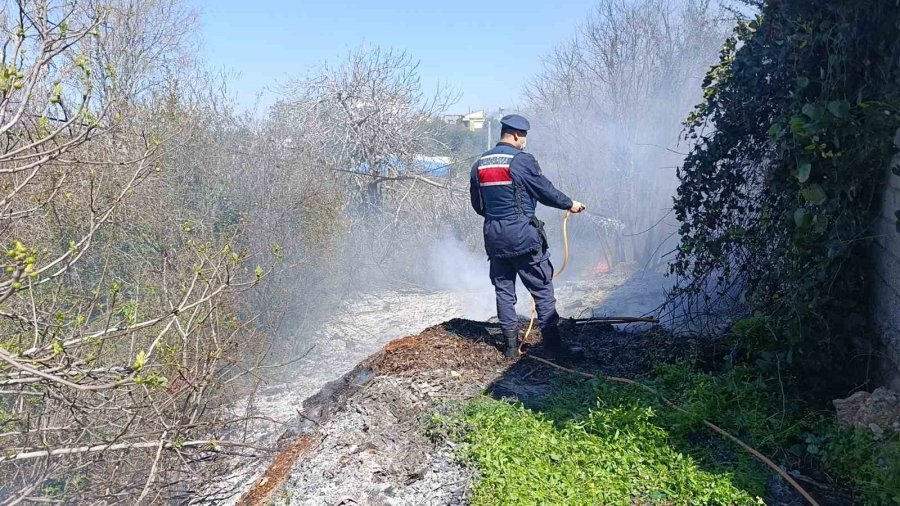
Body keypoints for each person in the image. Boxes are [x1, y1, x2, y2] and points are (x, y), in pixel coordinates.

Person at [469, 114, 586, 358]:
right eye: (524, 137)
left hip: (494, 237)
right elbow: (544, 191)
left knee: (504, 291)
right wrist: (569, 204)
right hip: (523, 237)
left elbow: (479, 206)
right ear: (516, 135)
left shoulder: (479, 164)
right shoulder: (521, 161)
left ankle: (511, 348)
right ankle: (554, 347)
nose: (525, 142)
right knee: (542, 289)